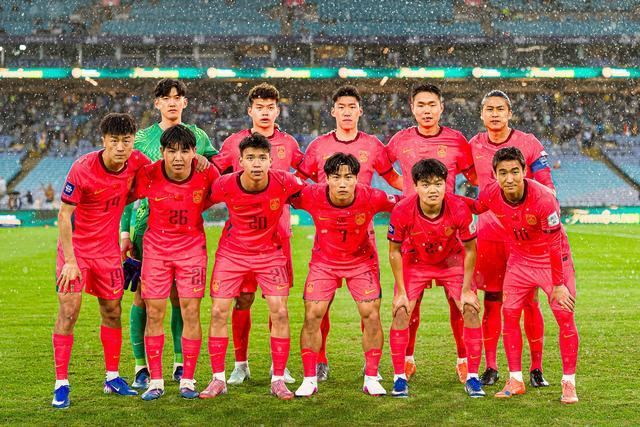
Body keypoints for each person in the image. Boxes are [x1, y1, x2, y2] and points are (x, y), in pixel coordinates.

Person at [296, 85, 402, 381]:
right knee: (320, 305)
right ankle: (319, 360)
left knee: (369, 306)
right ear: (333, 111)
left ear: (360, 111)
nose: (346, 111)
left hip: (363, 239)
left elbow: (392, 178)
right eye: (341, 106)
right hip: (327, 238)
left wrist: (419, 191)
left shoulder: (373, 145)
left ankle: (371, 366)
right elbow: (299, 180)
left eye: (351, 106)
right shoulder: (318, 146)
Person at [120, 78, 218, 389]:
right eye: (166, 97)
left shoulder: (199, 136)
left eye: (177, 97)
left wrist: (207, 163)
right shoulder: (141, 139)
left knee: (182, 299)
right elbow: (127, 188)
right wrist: (124, 231)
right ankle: (142, 366)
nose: (172, 102)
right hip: (146, 228)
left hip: (186, 228)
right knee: (144, 299)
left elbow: (214, 176)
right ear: (157, 103)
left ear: (185, 102)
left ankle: (179, 363)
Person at [51, 113, 150, 409]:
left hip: (107, 251)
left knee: (112, 311)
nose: (120, 147)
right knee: (69, 311)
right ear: (104, 140)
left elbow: (162, 173)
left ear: (133, 141)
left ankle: (112, 377)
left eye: (126, 141)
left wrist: (199, 161)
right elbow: (64, 216)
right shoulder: (82, 168)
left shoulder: (138, 161)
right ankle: (61, 384)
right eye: (114, 141)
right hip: (76, 251)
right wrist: (70, 261)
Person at [466, 147, 579, 404]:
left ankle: (569, 382)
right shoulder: (491, 193)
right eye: (503, 173)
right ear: (494, 174)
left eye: (515, 171)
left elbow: (554, 244)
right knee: (509, 314)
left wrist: (558, 284)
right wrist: (444, 201)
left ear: (525, 171)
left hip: (552, 261)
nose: (509, 179)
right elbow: (474, 206)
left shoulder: (544, 199)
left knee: (564, 316)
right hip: (520, 260)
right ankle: (515, 379)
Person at [201, 133, 305, 400]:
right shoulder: (225, 184)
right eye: (250, 158)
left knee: (280, 312)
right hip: (232, 254)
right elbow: (198, 200)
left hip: (270, 253)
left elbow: (314, 198)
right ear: (240, 162)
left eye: (262, 158)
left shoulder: (286, 181)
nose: (256, 163)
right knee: (218, 311)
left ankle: (278, 379)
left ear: (271, 161)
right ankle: (218, 379)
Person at [385, 83, 477, 383]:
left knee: (458, 303)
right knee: (409, 306)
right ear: (412, 108)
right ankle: (407, 360)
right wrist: (408, 190)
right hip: (413, 234)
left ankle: (464, 361)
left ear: (441, 108)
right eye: (421, 105)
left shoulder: (456, 140)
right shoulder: (400, 140)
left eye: (432, 104)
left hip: (450, 235)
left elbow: (473, 176)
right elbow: (385, 169)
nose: (427, 110)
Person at [292, 153, 399, 397]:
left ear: (356, 179)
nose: (342, 183)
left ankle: (371, 377)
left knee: (371, 314)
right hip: (324, 263)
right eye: (336, 177)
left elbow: (405, 205)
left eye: (348, 177)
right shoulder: (311, 195)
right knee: (312, 315)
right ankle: (309, 379)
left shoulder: (372, 196)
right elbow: (279, 193)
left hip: (361, 262)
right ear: (327, 179)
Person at [467, 90, 555, 387]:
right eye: (489, 109)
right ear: (482, 114)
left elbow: (546, 185)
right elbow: (469, 177)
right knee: (492, 300)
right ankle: (491, 366)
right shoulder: (474, 145)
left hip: (524, 238)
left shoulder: (528, 143)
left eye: (500, 109)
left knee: (530, 301)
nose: (495, 114)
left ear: (510, 113)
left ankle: (536, 367)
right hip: (489, 236)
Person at [387, 159, 483, 398]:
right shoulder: (402, 210)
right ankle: (399, 378)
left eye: (438, 184)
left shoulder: (459, 207)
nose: (433, 190)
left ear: (446, 185)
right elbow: (394, 251)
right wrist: (400, 292)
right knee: (401, 311)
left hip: (451, 261)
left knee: (470, 309)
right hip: (415, 260)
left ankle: (472, 376)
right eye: (426, 184)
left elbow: (471, 250)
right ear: (415, 186)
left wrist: (467, 289)